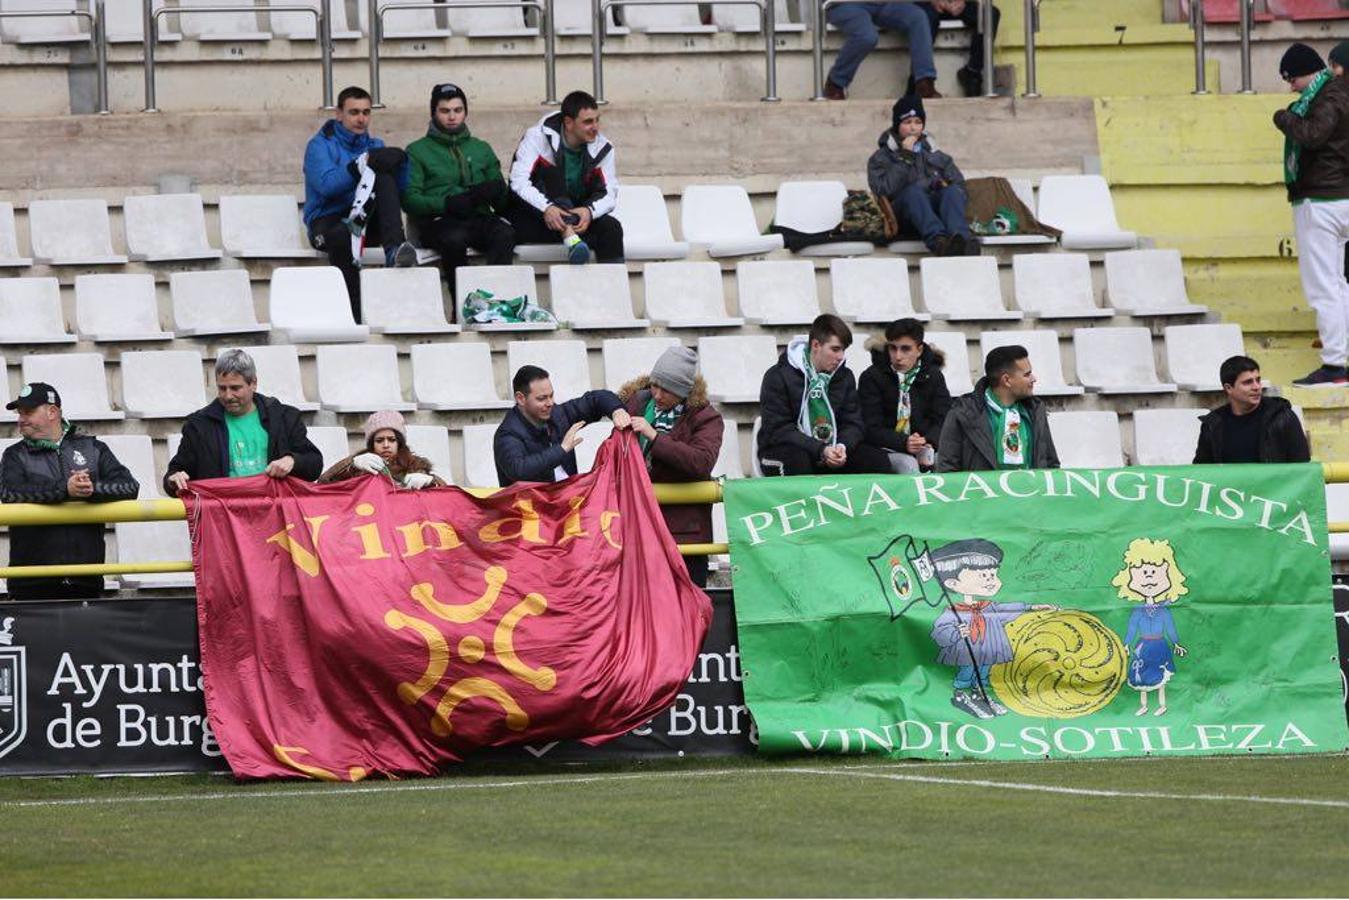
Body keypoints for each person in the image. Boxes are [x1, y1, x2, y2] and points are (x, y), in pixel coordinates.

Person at [0, 382, 139, 601]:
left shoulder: (93, 448)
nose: (21, 419)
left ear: (52, 412)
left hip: (85, 583)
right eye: (20, 413)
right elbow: (10, 493)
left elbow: (130, 486)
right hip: (30, 586)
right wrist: (65, 490)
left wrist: (92, 489)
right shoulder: (14, 454)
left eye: (28, 412)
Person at [1271, 43, 1349, 387]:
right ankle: (1341, 357)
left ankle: (1334, 365)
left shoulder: (1328, 95)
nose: (1291, 87)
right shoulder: (1338, 93)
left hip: (1321, 200)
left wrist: (1284, 117)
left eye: (1292, 78)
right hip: (1340, 197)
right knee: (1339, 284)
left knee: (1323, 287)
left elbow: (1313, 135)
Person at [303, 85, 414, 320]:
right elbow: (327, 186)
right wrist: (359, 165)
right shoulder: (319, 146)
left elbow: (400, 193)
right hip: (328, 222)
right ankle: (352, 316)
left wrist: (402, 163)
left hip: (362, 221)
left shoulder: (375, 145)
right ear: (339, 114)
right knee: (342, 236)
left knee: (384, 176)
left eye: (366, 112)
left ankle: (395, 249)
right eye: (354, 112)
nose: (361, 119)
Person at [619, 347, 724, 588]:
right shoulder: (637, 402)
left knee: (689, 609)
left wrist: (655, 438)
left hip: (686, 533)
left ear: (684, 391)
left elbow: (701, 462)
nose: (656, 394)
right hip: (639, 527)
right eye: (655, 384)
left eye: (666, 389)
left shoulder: (707, 418)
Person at [402, 83, 516, 299]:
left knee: (505, 233)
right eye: (444, 111)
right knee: (453, 239)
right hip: (439, 221)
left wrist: (496, 191)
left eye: (457, 110)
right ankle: (461, 303)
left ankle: (497, 300)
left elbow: (502, 202)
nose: (452, 117)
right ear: (433, 113)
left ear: (465, 112)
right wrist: (446, 204)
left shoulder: (481, 148)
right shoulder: (417, 150)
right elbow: (410, 200)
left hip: (479, 217)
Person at [164, 349, 323, 496]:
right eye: (222, 388)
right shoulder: (198, 426)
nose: (228, 396)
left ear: (253, 383)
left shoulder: (284, 417)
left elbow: (314, 464)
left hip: (277, 516)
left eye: (235, 388)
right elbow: (174, 475)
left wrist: (292, 461)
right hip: (223, 518)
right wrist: (174, 480)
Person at [756, 314, 892, 477]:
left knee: (877, 461)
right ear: (816, 345)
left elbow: (854, 423)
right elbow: (779, 430)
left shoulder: (845, 376)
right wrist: (820, 449)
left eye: (843, 350)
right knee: (799, 462)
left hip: (831, 448)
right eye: (835, 349)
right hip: (781, 450)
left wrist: (842, 447)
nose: (840, 356)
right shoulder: (778, 376)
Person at [507, 90, 624, 266]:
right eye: (587, 122)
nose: (595, 127)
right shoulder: (536, 137)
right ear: (568, 123)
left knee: (611, 228)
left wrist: (589, 212)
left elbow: (609, 193)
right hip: (536, 219)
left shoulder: (603, 147)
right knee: (553, 174)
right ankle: (570, 238)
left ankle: (613, 288)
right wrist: (547, 208)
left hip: (576, 219)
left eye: (597, 120)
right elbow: (518, 183)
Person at [822, 0, 999, 100]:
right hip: (845, 3)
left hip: (885, 4)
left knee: (918, 17)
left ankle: (924, 83)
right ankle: (836, 82)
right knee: (866, 36)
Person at [868, 94, 973, 256]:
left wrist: (942, 187)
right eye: (907, 122)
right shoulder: (881, 157)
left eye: (918, 122)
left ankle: (962, 241)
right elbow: (882, 190)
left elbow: (960, 187)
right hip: (903, 216)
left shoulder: (934, 153)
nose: (913, 128)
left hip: (935, 213)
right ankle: (938, 242)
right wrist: (905, 157)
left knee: (951, 191)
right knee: (913, 192)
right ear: (897, 125)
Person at [494, 365, 633, 486]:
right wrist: (562, 449)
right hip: (529, 511)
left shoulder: (557, 414)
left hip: (568, 503)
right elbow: (519, 470)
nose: (550, 403)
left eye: (551, 396)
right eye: (541, 398)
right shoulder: (506, 434)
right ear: (520, 399)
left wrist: (617, 410)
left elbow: (595, 399)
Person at [937, 344, 1059, 472]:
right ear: (1006, 380)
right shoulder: (962, 413)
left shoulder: (1036, 410)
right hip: (981, 492)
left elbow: (1051, 463)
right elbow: (948, 469)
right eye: (1027, 374)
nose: (1034, 379)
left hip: (1031, 491)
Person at [857, 318, 952, 473]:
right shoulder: (872, 377)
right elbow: (869, 427)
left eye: (905, 349)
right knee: (907, 465)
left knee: (945, 460)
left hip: (925, 445)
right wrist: (903, 442)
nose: (898, 356)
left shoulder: (933, 375)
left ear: (919, 350)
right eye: (893, 348)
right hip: (885, 449)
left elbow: (944, 418)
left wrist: (928, 441)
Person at [1193, 355, 1311, 464]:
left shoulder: (1282, 417)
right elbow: (1202, 470)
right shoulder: (1213, 423)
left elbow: (1302, 466)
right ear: (1228, 388)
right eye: (1248, 382)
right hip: (1230, 487)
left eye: (1258, 380)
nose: (1256, 387)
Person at [319, 411, 445, 489]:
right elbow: (323, 483)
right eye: (379, 441)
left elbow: (448, 494)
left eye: (391, 440)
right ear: (371, 444)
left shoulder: (415, 464)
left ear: (399, 443)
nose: (386, 445)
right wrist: (351, 464)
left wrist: (431, 482)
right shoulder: (360, 464)